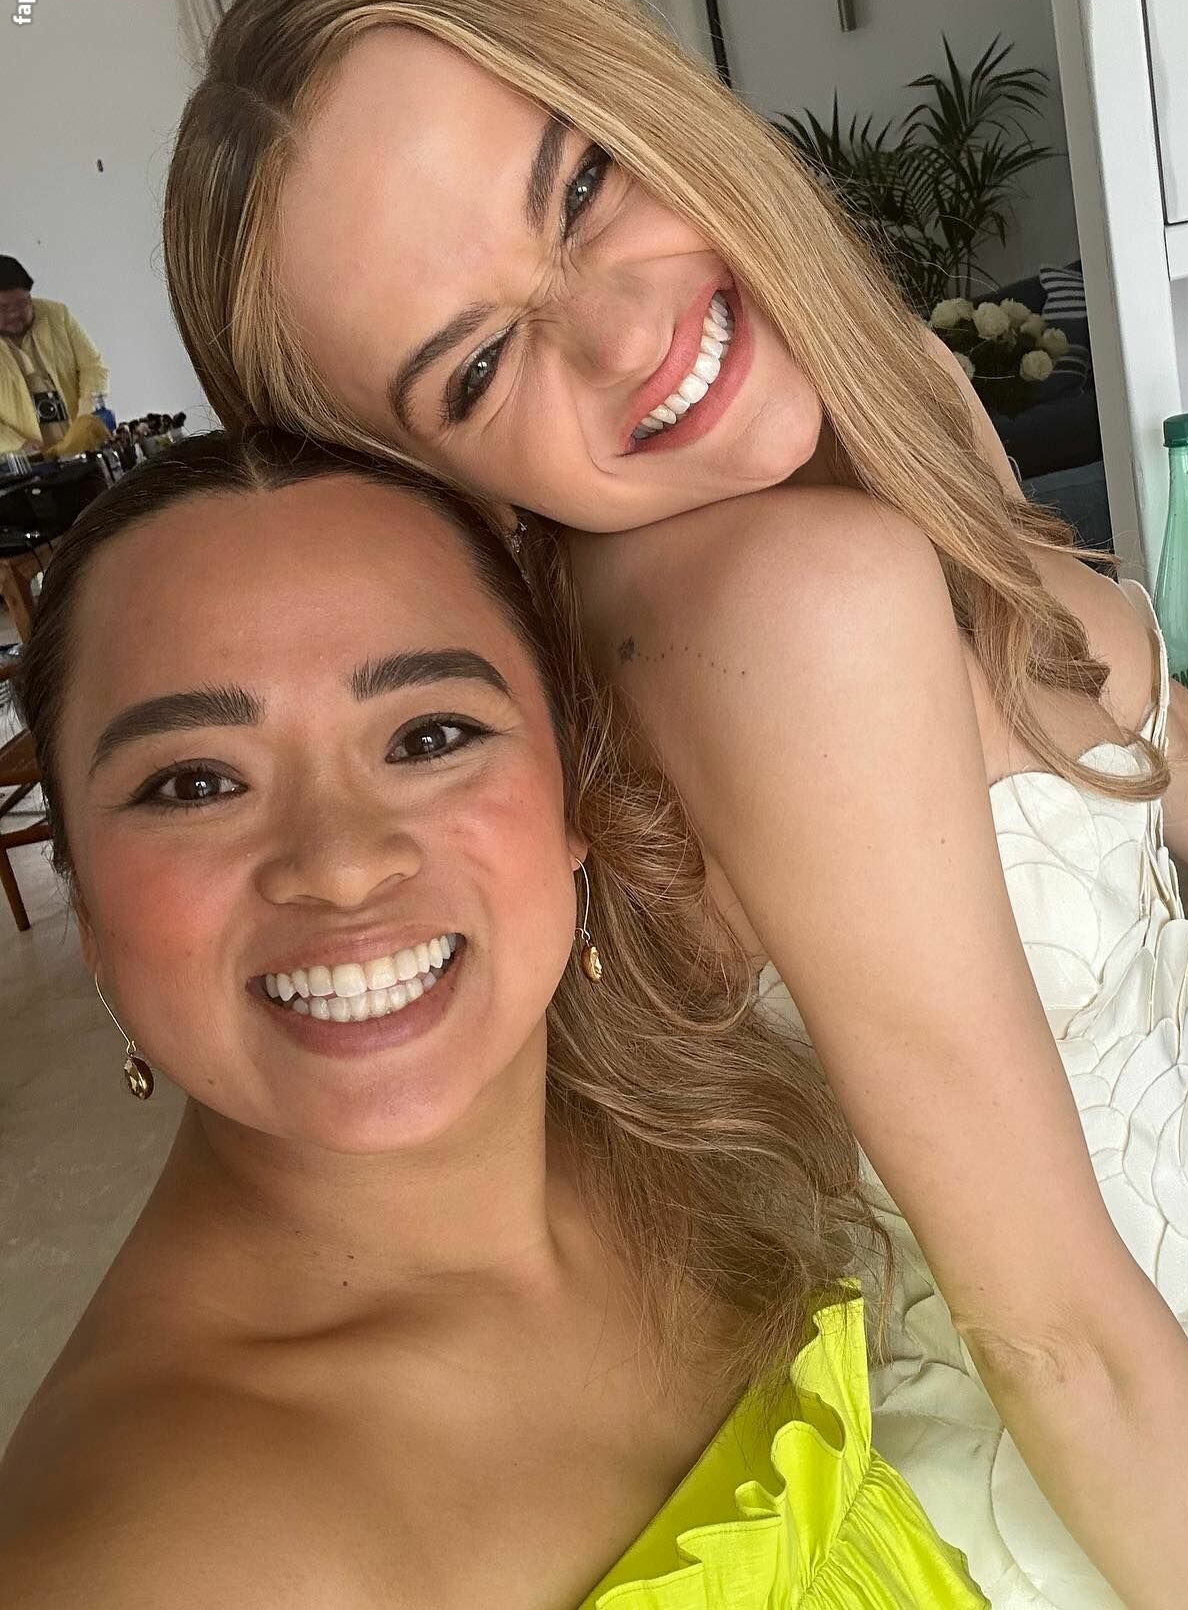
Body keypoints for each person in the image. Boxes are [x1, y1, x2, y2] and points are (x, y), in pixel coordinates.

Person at [161, 0, 1188, 1606]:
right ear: (423, 484)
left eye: (584, 189)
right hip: (1147, 1466)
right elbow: (1053, 1331)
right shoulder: (788, 608)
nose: (627, 333)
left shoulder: (873, 397)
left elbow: (1127, 715)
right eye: (476, 368)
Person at [0, 429, 986, 1609]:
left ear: (576, 795)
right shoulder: (148, 1562)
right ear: (86, 904)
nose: (342, 865)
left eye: (429, 737)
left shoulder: (684, 1150)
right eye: (196, 783)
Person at [0, 256, 110, 456]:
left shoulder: (57, 314)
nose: (15, 314)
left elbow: (93, 367)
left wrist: (87, 416)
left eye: (22, 303)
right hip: (23, 459)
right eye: (4, 308)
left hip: (82, 445)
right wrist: (18, 445)